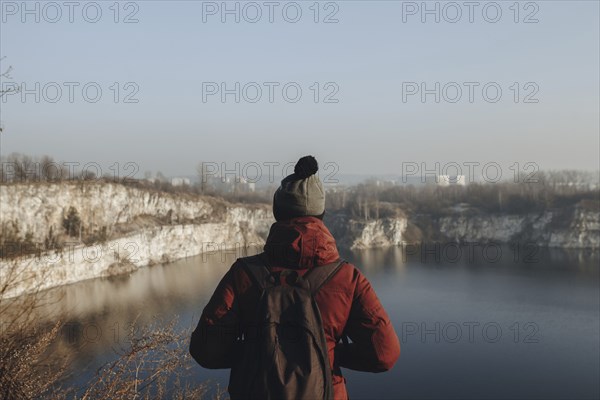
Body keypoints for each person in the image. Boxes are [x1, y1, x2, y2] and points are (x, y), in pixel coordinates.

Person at [189, 155, 400, 400]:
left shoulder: (243, 274)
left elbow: (206, 350)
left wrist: (258, 352)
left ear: (277, 212)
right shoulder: (347, 278)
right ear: (322, 214)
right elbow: (384, 354)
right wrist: (330, 353)